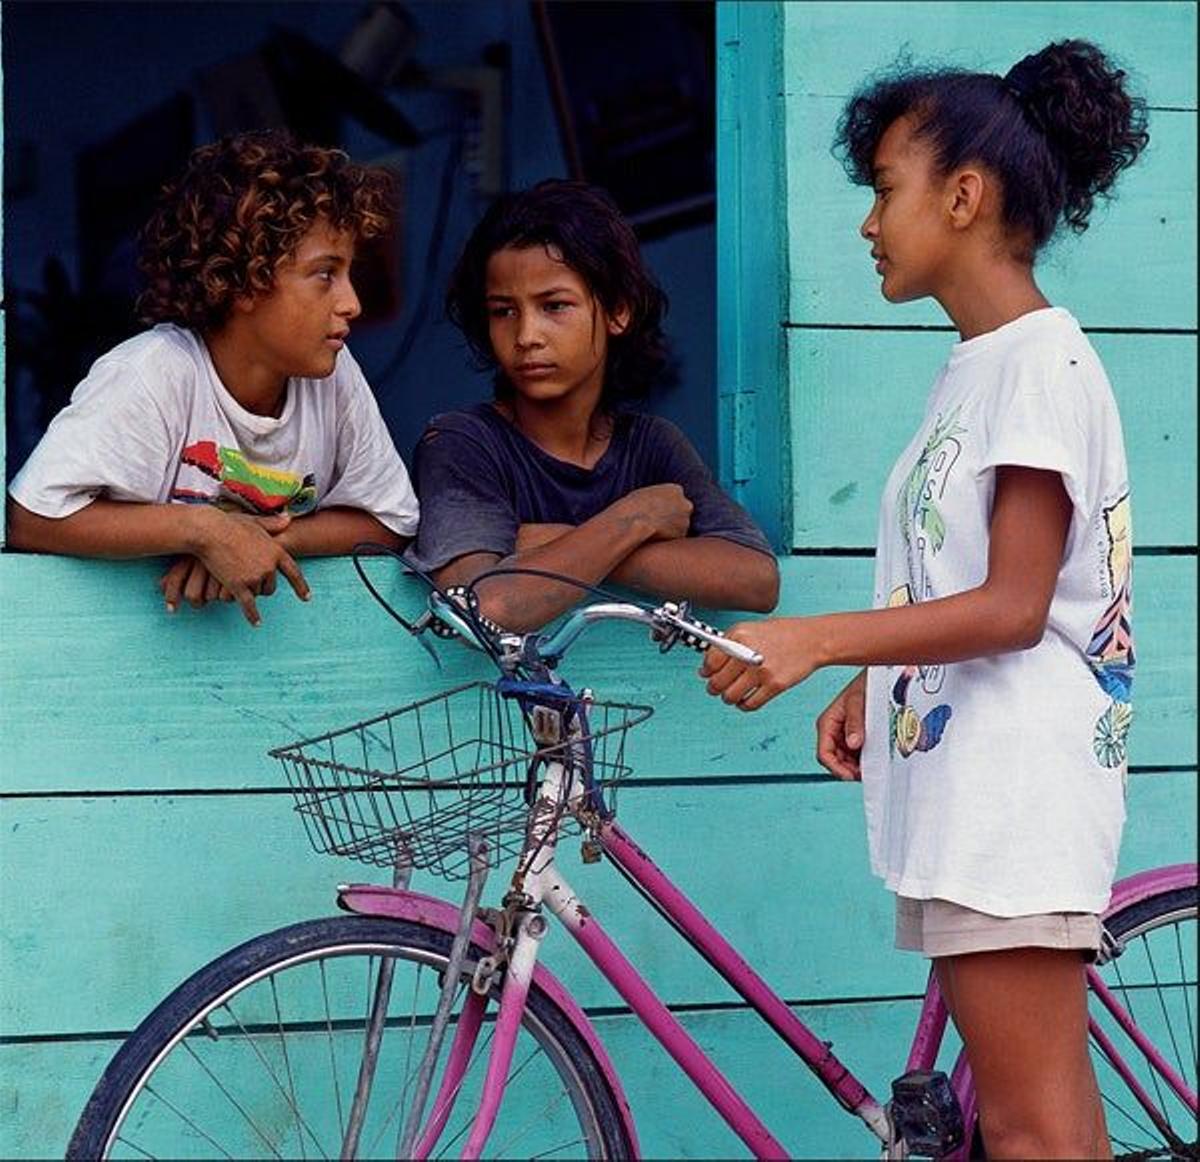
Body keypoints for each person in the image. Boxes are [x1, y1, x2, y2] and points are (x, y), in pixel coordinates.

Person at [700, 40, 1147, 1159]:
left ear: (964, 194)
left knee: (1036, 1132)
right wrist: (871, 672)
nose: (866, 225)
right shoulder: (978, 367)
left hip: (1015, 800)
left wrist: (813, 636)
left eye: (883, 192)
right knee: (1039, 1125)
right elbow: (955, 578)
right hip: (968, 794)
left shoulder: (1040, 364)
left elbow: (1012, 604)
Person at [6, 130, 419, 627]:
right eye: (325, 275)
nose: (351, 303)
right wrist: (200, 530)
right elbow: (33, 518)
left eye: (350, 274)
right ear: (244, 282)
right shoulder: (154, 372)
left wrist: (255, 539)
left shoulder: (334, 377)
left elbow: (390, 520)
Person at [407, 179, 779, 632]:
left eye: (554, 306)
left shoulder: (650, 446)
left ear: (618, 310)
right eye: (503, 311)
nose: (526, 335)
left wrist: (553, 546)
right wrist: (634, 519)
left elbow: (757, 580)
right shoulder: (463, 443)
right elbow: (482, 610)